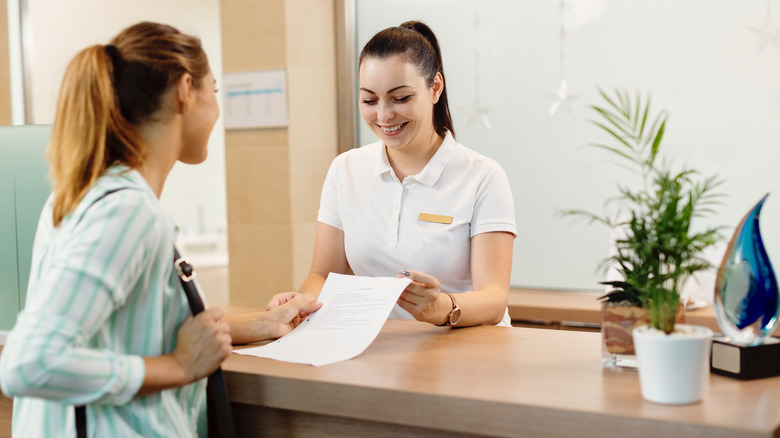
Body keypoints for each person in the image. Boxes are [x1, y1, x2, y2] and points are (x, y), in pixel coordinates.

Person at [0, 21, 320, 437]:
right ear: (187, 90)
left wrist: (266, 323)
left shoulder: (84, 195)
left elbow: (135, 327)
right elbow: (29, 363)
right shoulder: (126, 212)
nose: (218, 110)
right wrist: (178, 366)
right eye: (215, 91)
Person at [269, 21, 517, 327]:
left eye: (400, 98)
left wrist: (444, 307)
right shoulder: (345, 170)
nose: (384, 115)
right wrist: (299, 304)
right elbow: (322, 275)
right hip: (378, 348)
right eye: (369, 100)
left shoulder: (482, 176)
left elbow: (493, 298)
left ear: (435, 88)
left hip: (467, 348)